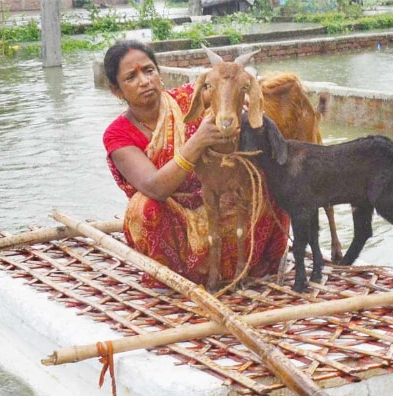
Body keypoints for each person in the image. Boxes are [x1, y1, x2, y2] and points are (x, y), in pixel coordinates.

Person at [102, 40, 288, 287]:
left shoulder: (189, 97)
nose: (145, 81)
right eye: (131, 77)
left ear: (159, 73)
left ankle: (251, 265)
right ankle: (181, 277)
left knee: (270, 180)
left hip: (221, 203)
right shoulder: (118, 134)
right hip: (175, 223)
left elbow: (227, 83)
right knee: (143, 209)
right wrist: (197, 142)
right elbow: (155, 187)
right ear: (116, 90)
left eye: (149, 70)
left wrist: (242, 91)